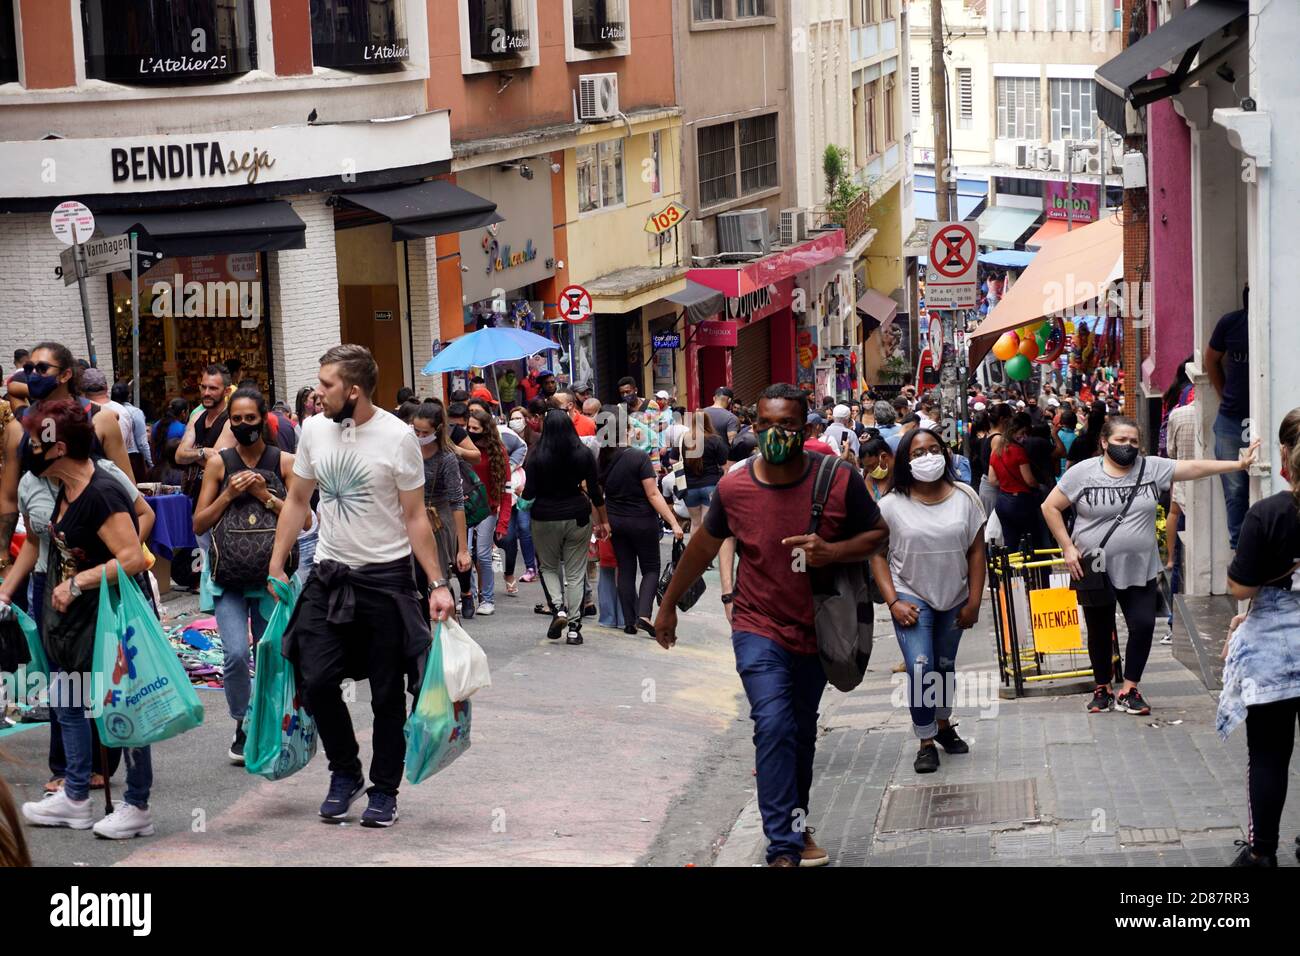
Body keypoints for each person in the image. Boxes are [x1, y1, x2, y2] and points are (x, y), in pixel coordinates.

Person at [654, 383, 888, 867]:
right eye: (767, 424)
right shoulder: (734, 488)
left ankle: (797, 828)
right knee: (774, 723)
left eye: (787, 425)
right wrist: (669, 604)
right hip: (758, 625)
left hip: (819, 629)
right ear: (753, 427)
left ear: (804, 429)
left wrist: (832, 551)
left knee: (800, 732)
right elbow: (702, 545)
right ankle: (782, 847)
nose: (776, 433)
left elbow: (879, 534)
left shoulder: (838, 479)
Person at [272, 345, 454, 828]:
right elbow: (296, 499)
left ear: (353, 390)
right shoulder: (312, 429)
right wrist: (277, 564)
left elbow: (415, 517)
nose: (317, 393)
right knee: (315, 679)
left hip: (386, 580)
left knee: (387, 696)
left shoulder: (398, 439)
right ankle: (345, 771)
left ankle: (385, 790)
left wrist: (437, 583)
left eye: (327, 385)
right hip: (329, 575)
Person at [0, 401, 155, 839]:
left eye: (34, 444)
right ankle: (75, 798)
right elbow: (36, 542)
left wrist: (77, 582)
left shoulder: (102, 492)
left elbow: (131, 560)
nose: (25, 451)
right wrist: (9, 589)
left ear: (59, 447)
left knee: (125, 705)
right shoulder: (61, 489)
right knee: (68, 704)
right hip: (70, 625)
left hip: (108, 619)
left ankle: (138, 804)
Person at [1043, 416, 1259, 716]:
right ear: (1104, 442)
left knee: (1143, 625)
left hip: (1140, 566)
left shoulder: (1151, 468)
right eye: (1120, 440)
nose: (1127, 446)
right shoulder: (1082, 473)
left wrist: (1237, 465)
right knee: (1099, 630)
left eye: (1133, 441)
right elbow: (1050, 506)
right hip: (1094, 566)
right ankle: (1102, 688)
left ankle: (1130, 688)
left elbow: (1193, 468)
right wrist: (1067, 547)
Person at [193, 386, 307, 765]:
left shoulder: (284, 462)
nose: (243, 426)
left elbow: (304, 520)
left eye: (250, 419)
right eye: (236, 419)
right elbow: (198, 522)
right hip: (228, 576)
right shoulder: (219, 463)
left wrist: (265, 496)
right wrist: (227, 495)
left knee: (269, 652)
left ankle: (268, 722)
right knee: (237, 655)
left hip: (270, 575)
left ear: (264, 420)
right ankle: (242, 722)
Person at [870, 427, 986, 773]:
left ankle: (943, 725)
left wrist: (975, 601)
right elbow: (877, 555)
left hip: (954, 596)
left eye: (933, 449)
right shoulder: (890, 505)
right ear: (905, 460)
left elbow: (977, 551)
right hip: (910, 597)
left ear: (945, 453)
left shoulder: (966, 497)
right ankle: (925, 740)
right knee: (921, 667)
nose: (927, 457)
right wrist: (893, 601)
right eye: (918, 453)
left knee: (945, 666)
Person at [1219, 408, 1300, 866]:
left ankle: (1263, 854)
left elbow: (1241, 586)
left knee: (1269, 755)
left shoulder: (1267, 514)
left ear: (1285, 456)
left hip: (1274, 649)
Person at [0, 343, 134, 562]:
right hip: (42, 557)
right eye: (29, 369)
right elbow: (8, 498)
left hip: (100, 552)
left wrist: (125, 556)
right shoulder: (18, 429)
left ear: (65, 375)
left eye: (42, 369)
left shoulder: (101, 420)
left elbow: (127, 489)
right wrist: (2, 557)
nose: (33, 375)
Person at [522, 409, 610, 645]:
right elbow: (595, 492)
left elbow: (528, 493)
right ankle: (574, 628)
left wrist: (521, 499)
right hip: (577, 515)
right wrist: (603, 520)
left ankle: (558, 609)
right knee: (575, 572)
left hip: (544, 517)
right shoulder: (583, 454)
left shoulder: (536, 455)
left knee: (549, 568)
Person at [598, 411, 684, 635]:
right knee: (651, 568)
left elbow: (596, 494)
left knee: (625, 568)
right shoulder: (639, 457)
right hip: (642, 521)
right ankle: (644, 614)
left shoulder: (602, 459)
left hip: (616, 521)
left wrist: (602, 522)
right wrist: (673, 522)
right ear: (626, 431)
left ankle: (629, 621)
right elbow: (653, 494)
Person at [410, 401, 473, 614]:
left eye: (424, 432)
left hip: (437, 521)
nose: (419, 436)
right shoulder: (406, 450)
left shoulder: (446, 457)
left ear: (437, 429)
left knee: (437, 579)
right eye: (415, 430)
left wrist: (463, 550)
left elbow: (457, 502)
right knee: (412, 581)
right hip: (408, 519)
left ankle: (448, 632)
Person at [1205, 294, 1251, 548]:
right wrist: (1224, 395)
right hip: (1231, 419)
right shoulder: (1230, 323)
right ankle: (1240, 549)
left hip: (1269, 418)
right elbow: (1211, 360)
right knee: (1234, 490)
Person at [464, 406, 513, 617]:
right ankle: (468, 595)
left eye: (475, 428)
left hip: (488, 508)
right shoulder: (463, 446)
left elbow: (507, 488)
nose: (471, 431)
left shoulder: (497, 450)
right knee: (464, 553)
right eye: (468, 427)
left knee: (483, 554)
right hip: (464, 507)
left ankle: (487, 598)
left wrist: (503, 522)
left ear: (485, 429)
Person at [989, 412, 1047, 551]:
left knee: (1010, 544)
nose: (1024, 436)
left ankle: (1013, 571)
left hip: (1003, 501)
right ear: (1014, 433)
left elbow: (992, 480)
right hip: (1021, 502)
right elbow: (1029, 480)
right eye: (1022, 433)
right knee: (1033, 541)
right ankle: (1035, 571)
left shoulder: (996, 451)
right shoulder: (1018, 451)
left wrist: (1006, 483)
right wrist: (1039, 486)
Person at [667, 411, 728, 535]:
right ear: (708, 422)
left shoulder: (682, 438)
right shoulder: (715, 440)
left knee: (695, 522)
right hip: (710, 485)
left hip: (689, 487)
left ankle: (695, 553)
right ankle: (705, 552)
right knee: (707, 523)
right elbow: (724, 465)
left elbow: (672, 460)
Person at [110, 383, 152, 481]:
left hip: (112, 457)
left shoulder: (105, 409)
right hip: (132, 458)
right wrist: (150, 463)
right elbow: (142, 442)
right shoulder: (135, 412)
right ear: (128, 396)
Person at [860, 436, 894, 502]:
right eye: (867, 468)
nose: (870, 471)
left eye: (872, 466)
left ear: (884, 456)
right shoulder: (870, 479)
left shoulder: (904, 474)